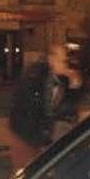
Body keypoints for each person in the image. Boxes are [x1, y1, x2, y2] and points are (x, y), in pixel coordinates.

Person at [9, 43, 84, 171]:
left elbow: (68, 112)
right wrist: (42, 137)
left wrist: (75, 86)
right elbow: (32, 110)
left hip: (44, 137)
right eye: (63, 60)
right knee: (27, 175)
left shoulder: (62, 80)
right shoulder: (35, 77)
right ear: (51, 59)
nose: (66, 64)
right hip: (27, 136)